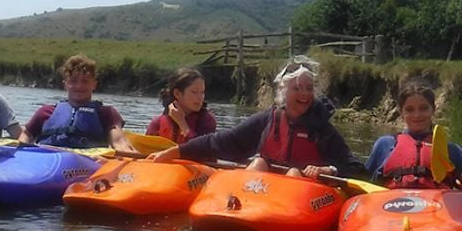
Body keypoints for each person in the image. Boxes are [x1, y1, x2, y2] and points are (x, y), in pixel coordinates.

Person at [148, 55, 366, 179]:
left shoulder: (322, 128)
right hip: (265, 192)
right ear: (283, 91)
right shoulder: (267, 120)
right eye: (297, 88)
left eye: (309, 88)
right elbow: (222, 142)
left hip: (302, 191)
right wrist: (175, 151)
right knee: (259, 162)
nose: (304, 94)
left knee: (292, 173)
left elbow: (355, 167)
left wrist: (327, 169)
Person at [364, 81, 462, 198]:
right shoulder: (385, 145)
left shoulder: (450, 149)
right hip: (390, 209)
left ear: (433, 109)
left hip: (437, 213)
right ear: (401, 111)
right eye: (410, 109)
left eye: (423, 108)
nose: (417, 115)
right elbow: (361, 185)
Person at [19, 54, 136, 153]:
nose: (79, 86)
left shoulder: (106, 114)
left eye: (85, 81)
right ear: (65, 84)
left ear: (94, 84)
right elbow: (26, 135)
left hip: (86, 169)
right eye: (73, 81)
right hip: (46, 163)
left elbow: (119, 143)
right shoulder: (45, 112)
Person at [146, 67, 217, 143]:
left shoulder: (207, 121)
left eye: (202, 92)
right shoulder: (157, 123)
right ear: (177, 93)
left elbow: (201, 151)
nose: (200, 98)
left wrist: (182, 123)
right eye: (194, 92)